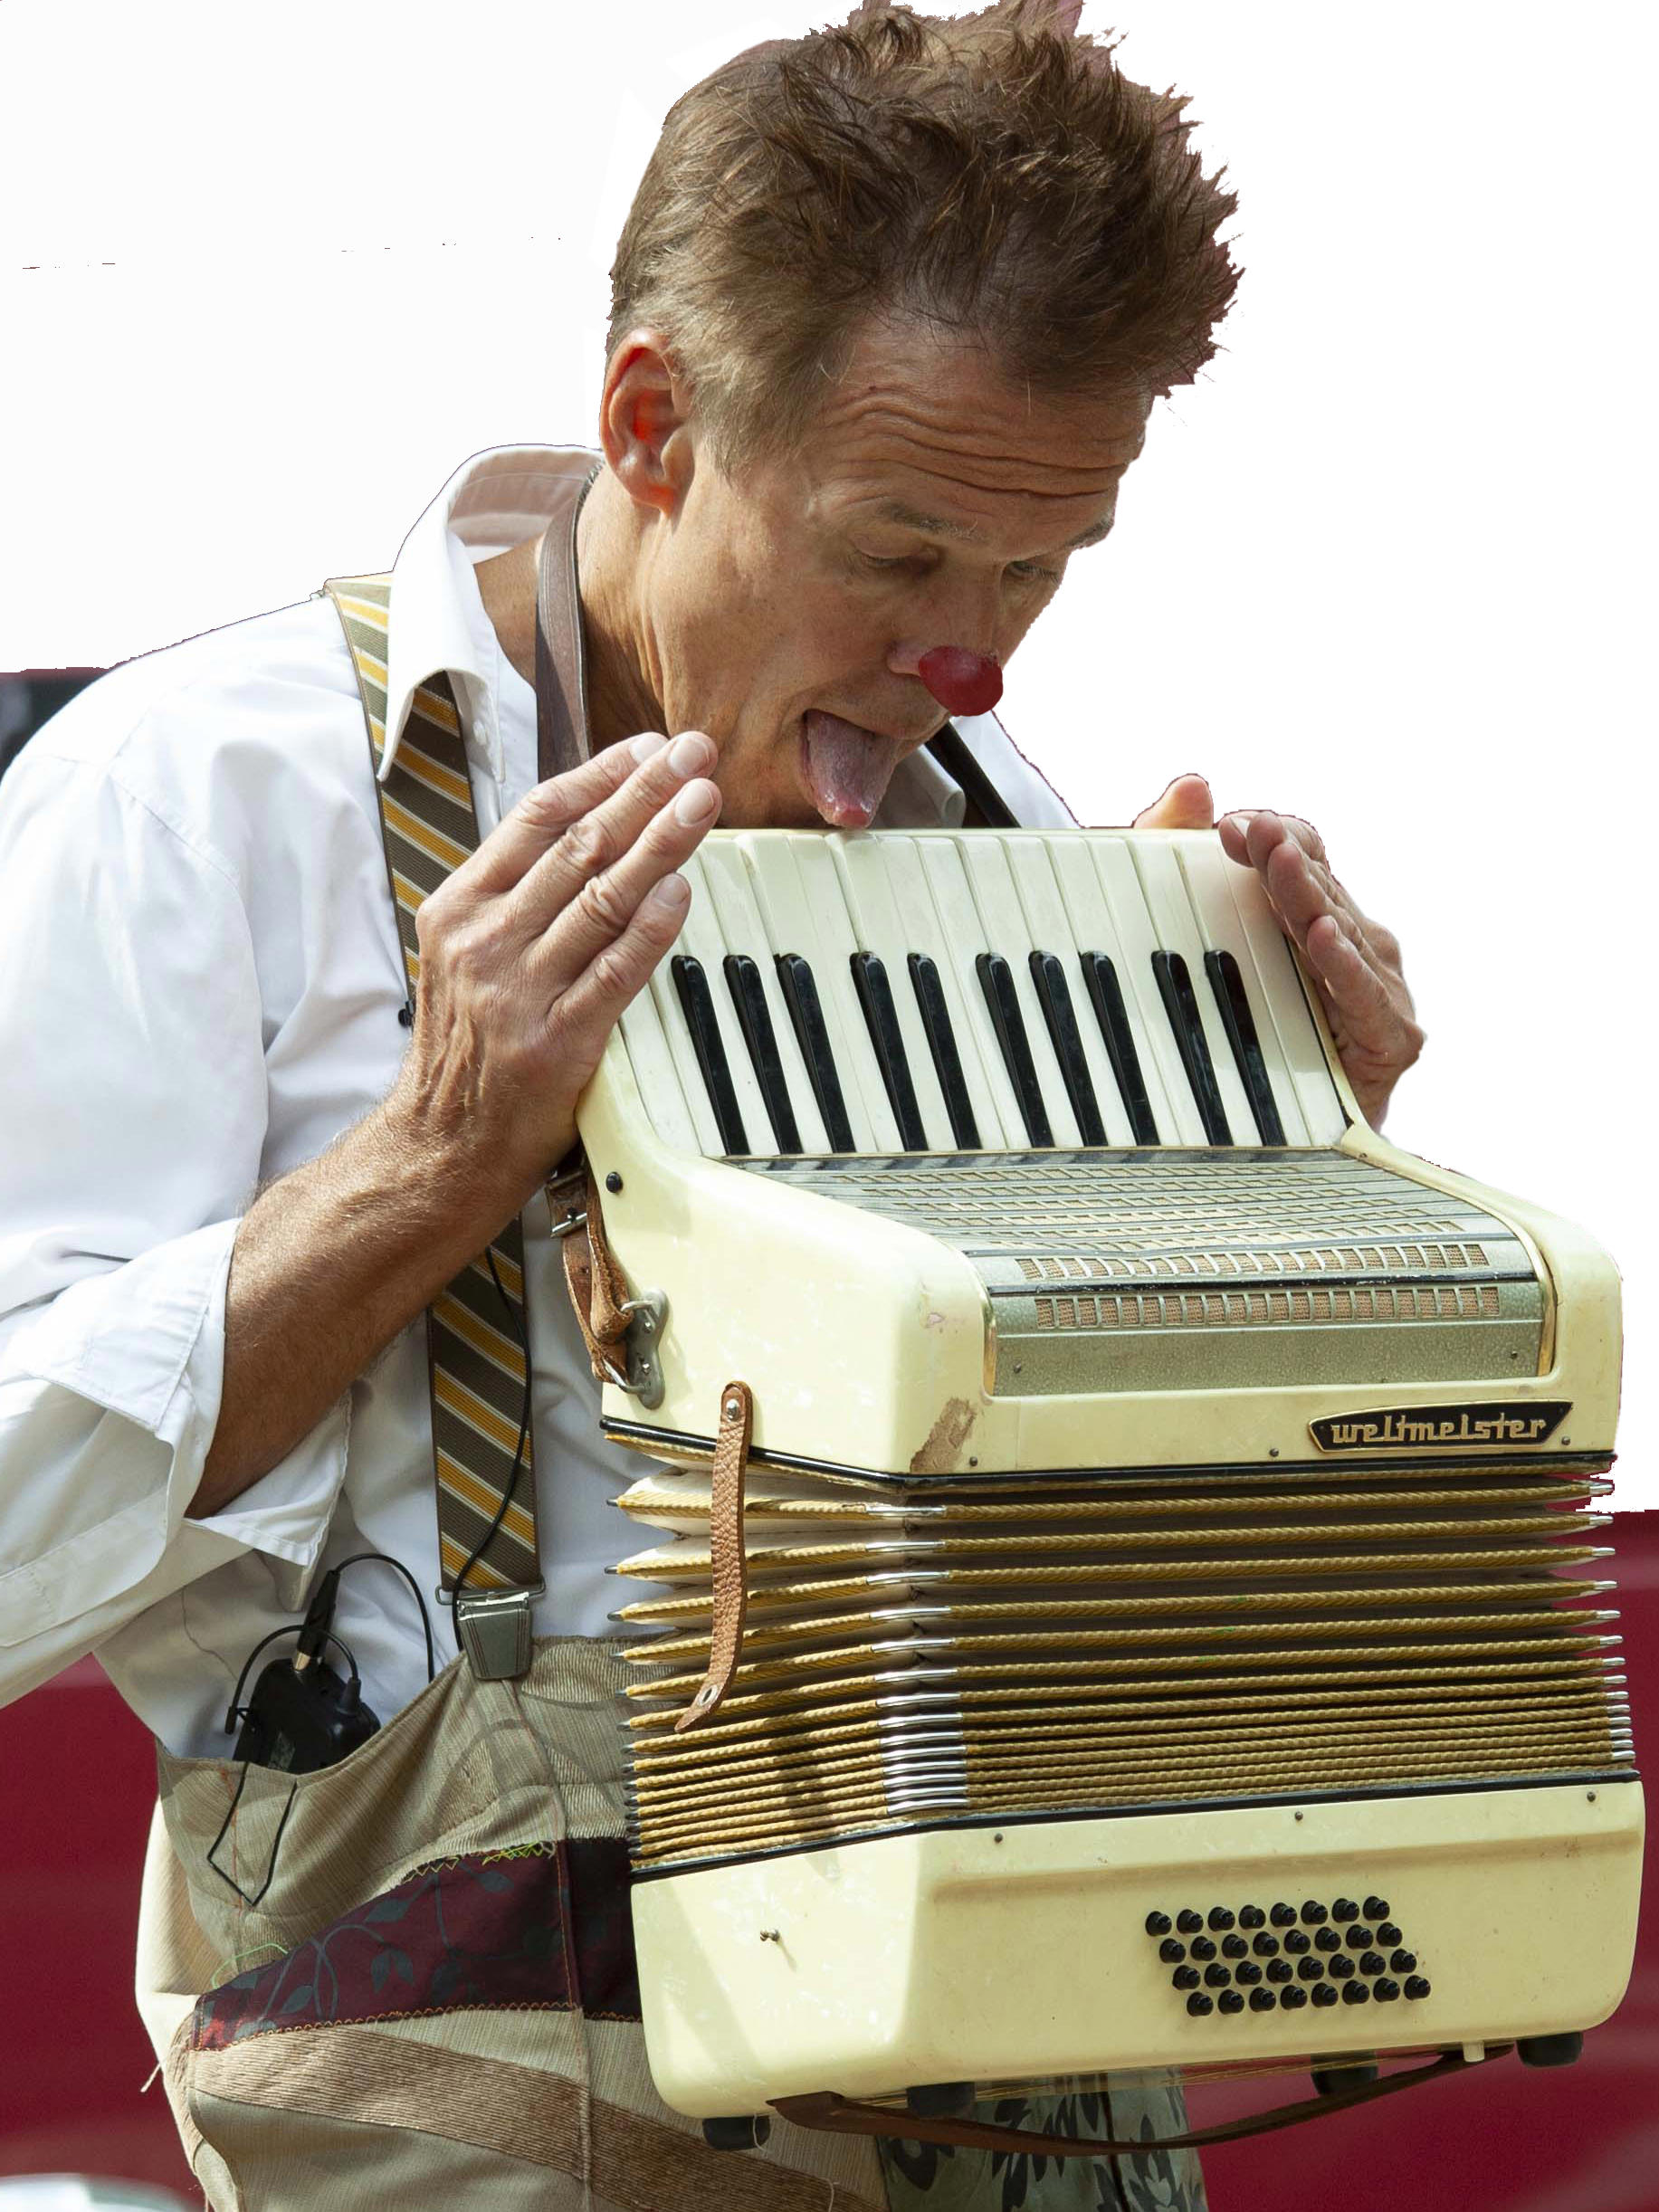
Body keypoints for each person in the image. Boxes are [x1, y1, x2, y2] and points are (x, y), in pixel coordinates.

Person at [0, 3, 1423, 2205]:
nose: (974, 657)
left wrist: (1260, 1157)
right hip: (491, 2048)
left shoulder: (1006, 823)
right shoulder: (207, 802)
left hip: (1020, 2050)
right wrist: (432, 1160)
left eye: (1038, 569)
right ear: (650, 421)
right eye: (900, 548)